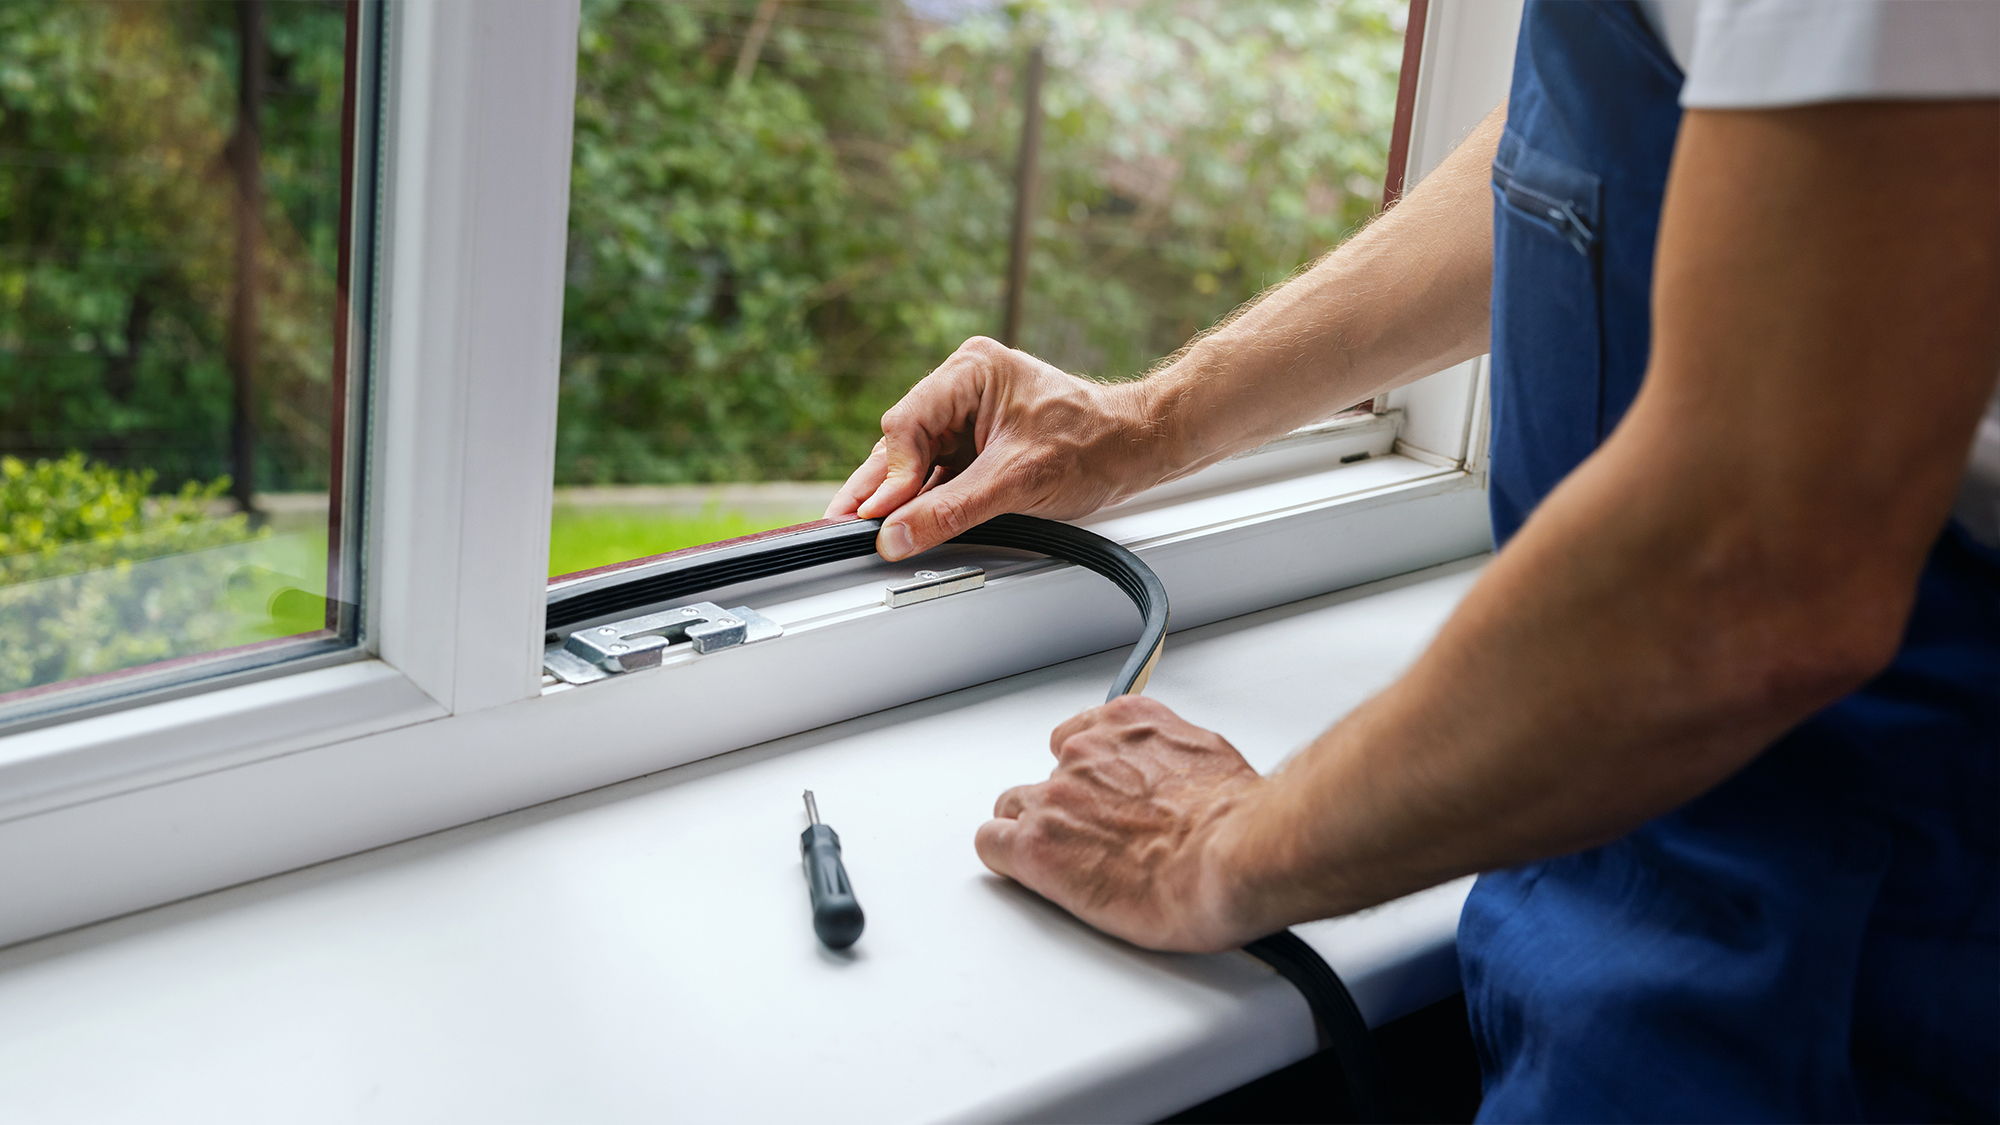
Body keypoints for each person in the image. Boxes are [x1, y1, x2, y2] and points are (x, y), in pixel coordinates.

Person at [826, 2, 1999, 1118]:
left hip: (1842, 959)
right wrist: (1150, 421)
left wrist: (1220, 848)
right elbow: (1608, 138)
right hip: (1649, 873)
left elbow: (1748, 572)